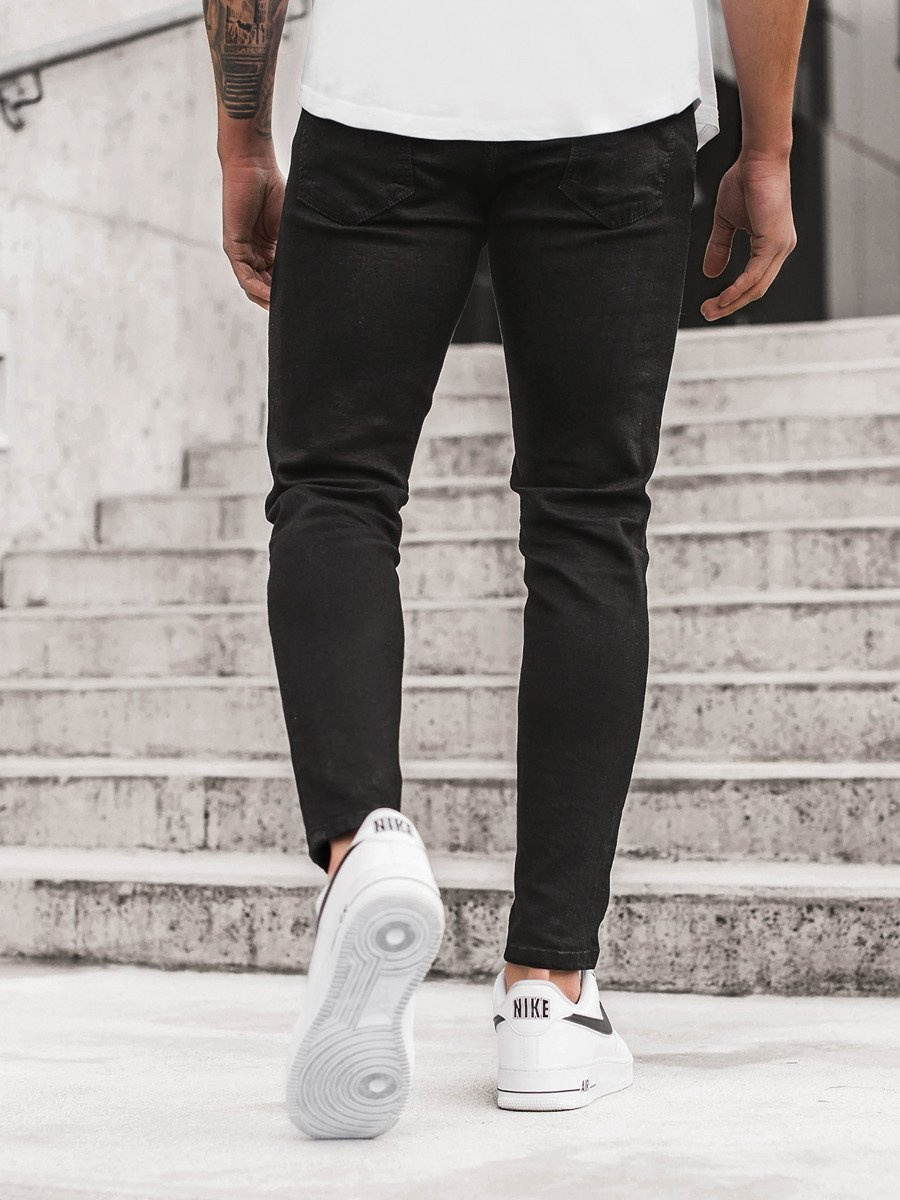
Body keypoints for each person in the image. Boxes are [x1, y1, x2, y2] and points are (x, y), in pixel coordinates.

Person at [203, 0, 805, 1137]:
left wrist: (243, 142)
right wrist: (765, 149)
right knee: (587, 522)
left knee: (335, 489)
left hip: (380, 98)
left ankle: (362, 849)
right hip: (613, 100)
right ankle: (550, 993)